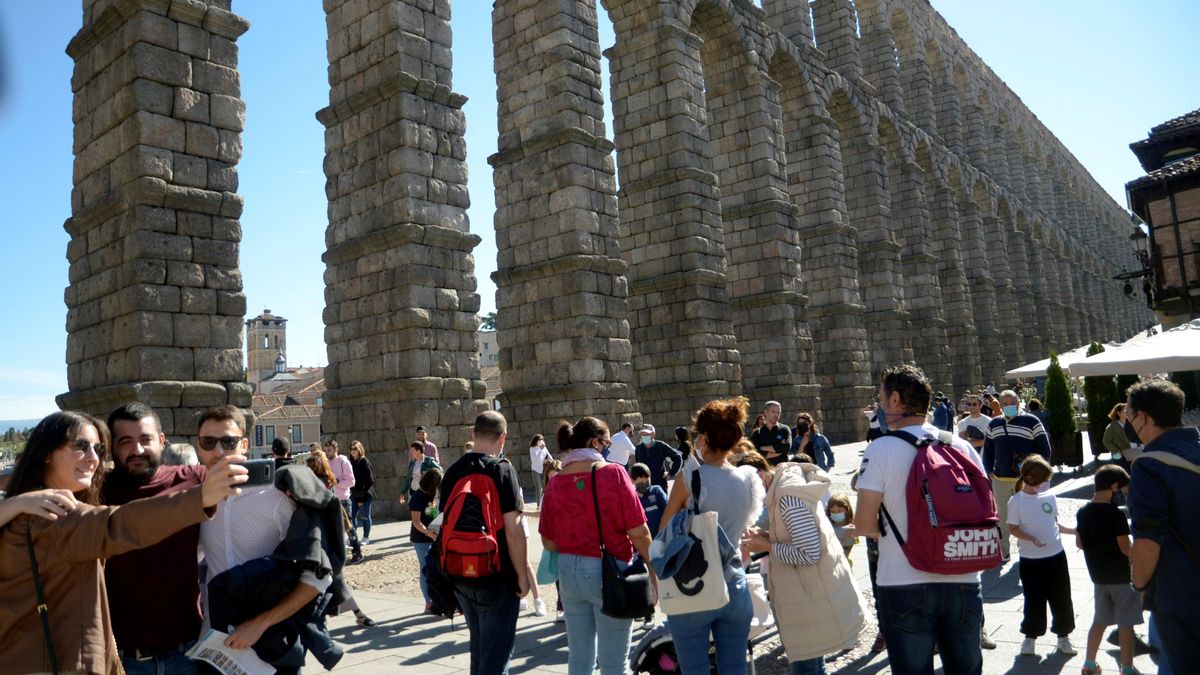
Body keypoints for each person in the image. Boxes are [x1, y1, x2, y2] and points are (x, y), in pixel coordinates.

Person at [0, 410, 245, 674]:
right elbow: (121, 523)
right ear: (46, 452)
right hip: (55, 662)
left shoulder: (26, 508)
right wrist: (201, 498)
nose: (93, 458)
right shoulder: (53, 517)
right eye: (80, 446)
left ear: (162, 441)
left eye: (98, 449)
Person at [853, 365, 985, 674]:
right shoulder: (960, 445)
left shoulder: (880, 448)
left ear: (896, 400)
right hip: (963, 575)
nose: (880, 406)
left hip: (903, 580)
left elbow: (862, 523)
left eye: (881, 399)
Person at [194, 405, 333, 656]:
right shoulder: (194, 502)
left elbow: (318, 577)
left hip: (273, 638)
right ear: (198, 447)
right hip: (217, 639)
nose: (218, 451)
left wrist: (260, 624)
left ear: (244, 445)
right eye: (208, 442)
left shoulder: (278, 497)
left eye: (228, 441)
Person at [540, 417, 655, 674]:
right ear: (595, 442)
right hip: (608, 569)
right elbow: (639, 531)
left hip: (568, 571)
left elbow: (548, 540)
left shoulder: (555, 482)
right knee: (614, 664)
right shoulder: (613, 473)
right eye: (607, 443)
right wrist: (654, 571)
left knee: (579, 660)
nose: (608, 448)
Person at [102, 402, 210, 674]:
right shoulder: (96, 492)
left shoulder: (193, 479)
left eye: (145, 439)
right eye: (125, 441)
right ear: (112, 446)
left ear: (161, 441)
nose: (137, 450)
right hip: (122, 658)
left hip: (188, 652)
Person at [660, 397, 765, 675]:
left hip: (695, 585)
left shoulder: (690, 478)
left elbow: (664, 531)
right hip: (735, 584)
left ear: (703, 439)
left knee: (694, 669)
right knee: (735, 668)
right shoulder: (748, 479)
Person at [742, 461, 867, 675]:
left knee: (806, 667)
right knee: (814, 665)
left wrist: (767, 546)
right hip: (807, 597)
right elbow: (795, 537)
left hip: (807, 599)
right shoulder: (783, 490)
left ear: (761, 476)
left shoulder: (787, 498)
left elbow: (809, 553)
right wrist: (767, 537)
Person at [439, 411, 529, 675]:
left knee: (479, 649)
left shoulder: (453, 471)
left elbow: (444, 525)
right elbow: (513, 531)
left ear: (473, 433)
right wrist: (522, 575)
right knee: (496, 657)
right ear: (503, 438)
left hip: (459, 573)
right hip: (496, 575)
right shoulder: (502, 470)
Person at [1127, 378, 1200, 673]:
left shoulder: (1149, 465)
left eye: (1130, 415)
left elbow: (1147, 541)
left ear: (1143, 417)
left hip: (1182, 596)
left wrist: (1140, 586)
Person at [1007, 455, 1077, 656]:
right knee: (1034, 598)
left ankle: (1063, 637)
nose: (1047, 483)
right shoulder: (1017, 501)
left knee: (1062, 597)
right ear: (1030, 478)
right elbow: (1013, 528)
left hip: (1056, 556)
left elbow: (1055, 523)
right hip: (1031, 561)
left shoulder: (1050, 497)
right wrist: (1031, 539)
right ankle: (1030, 637)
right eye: (1044, 479)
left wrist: (1073, 531)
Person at [1076, 465, 1141, 675]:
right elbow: (1125, 547)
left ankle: (1089, 663)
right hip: (1121, 577)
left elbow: (1079, 543)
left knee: (1099, 621)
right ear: (1113, 486)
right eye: (1121, 489)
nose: (1122, 493)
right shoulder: (1115, 515)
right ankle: (1128, 669)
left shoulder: (1083, 512)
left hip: (1098, 576)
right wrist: (1137, 561)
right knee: (1126, 624)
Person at [305, 449, 375, 625]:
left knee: (335, 582)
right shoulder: (321, 484)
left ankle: (355, 615)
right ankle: (357, 615)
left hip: (323, 541)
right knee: (333, 582)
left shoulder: (316, 485)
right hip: (325, 541)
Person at [983, 389, 1052, 560]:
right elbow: (988, 451)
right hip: (1001, 479)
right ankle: (1003, 550)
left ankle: (1027, 547)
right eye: (1004, 403)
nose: (1008, 406)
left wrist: (1039, 473)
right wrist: (989, 471)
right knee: (1003, 517)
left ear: (1018, 403)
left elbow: (1045, 449)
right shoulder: (994, 424)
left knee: (1027, 515)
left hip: (1026, 480)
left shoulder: (1032, 421)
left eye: (1011, 403)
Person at [410, 466, 442, 614]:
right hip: (421, 538)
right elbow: (416, 521)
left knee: (437, 567)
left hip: (434, 535)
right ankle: (428, 602)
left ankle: (438, 599)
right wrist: (428, 533)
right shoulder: (418, 497)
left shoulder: (432, 495)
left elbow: (434, 513)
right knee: (425, 569)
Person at [634, 424, 681, 492]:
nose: (644, 436)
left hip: (659, 484)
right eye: (643, 434)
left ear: (653, 434)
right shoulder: (638, 448)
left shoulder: (660, 446)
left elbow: (677, 457)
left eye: (647, 434)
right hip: (643, 485)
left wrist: (671, 473)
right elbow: (638, 465)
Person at [630, 462, 668, 536]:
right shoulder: (632, 498)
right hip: (646, 539)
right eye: (641, 483)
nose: (645, 485)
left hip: (663, 535)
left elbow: (670, 508)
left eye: (647, 482)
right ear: (632, 481)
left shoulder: (656, 491)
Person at [348, 440, 375, 544]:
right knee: (351, 516)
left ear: (360, 449)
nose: (353, 451)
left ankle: (366, 537)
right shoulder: (350, 462)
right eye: (351, 449)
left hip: (365, 493)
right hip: (353, 493)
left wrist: (362, 496)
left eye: (355, 449)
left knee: (365, 516)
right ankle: (353, 537)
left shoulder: (364, 461)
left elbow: (370, 480)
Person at [750, 401, 792, 466]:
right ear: (766, 412)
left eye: (778, 412)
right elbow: (755, 452)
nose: (776, 415)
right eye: (773, 412)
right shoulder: (757, 433)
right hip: (764, 470)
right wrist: (777, 451)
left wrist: (763, 448)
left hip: (782, 468)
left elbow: (786, 447)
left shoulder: (784, 429)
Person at [826, 492, 857, 560]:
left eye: (839, 511)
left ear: (847, 510)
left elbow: (847, 551)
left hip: (843, 561)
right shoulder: (828, 524)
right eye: (833, 511)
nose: (836, 513)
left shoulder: (851, 527)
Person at [528, 434, 551, 509]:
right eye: (539, 440)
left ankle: (543, 504)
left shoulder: (544, 448)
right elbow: (535, 459)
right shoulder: (532, 448)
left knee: (545, 487)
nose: (541, 441)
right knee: (539, 488)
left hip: (543, 470)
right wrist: (541, 449)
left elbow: (549, 456)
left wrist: (553, 462)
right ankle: (538, 506)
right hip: (535, 470)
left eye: (542, 439)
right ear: (536, 441)